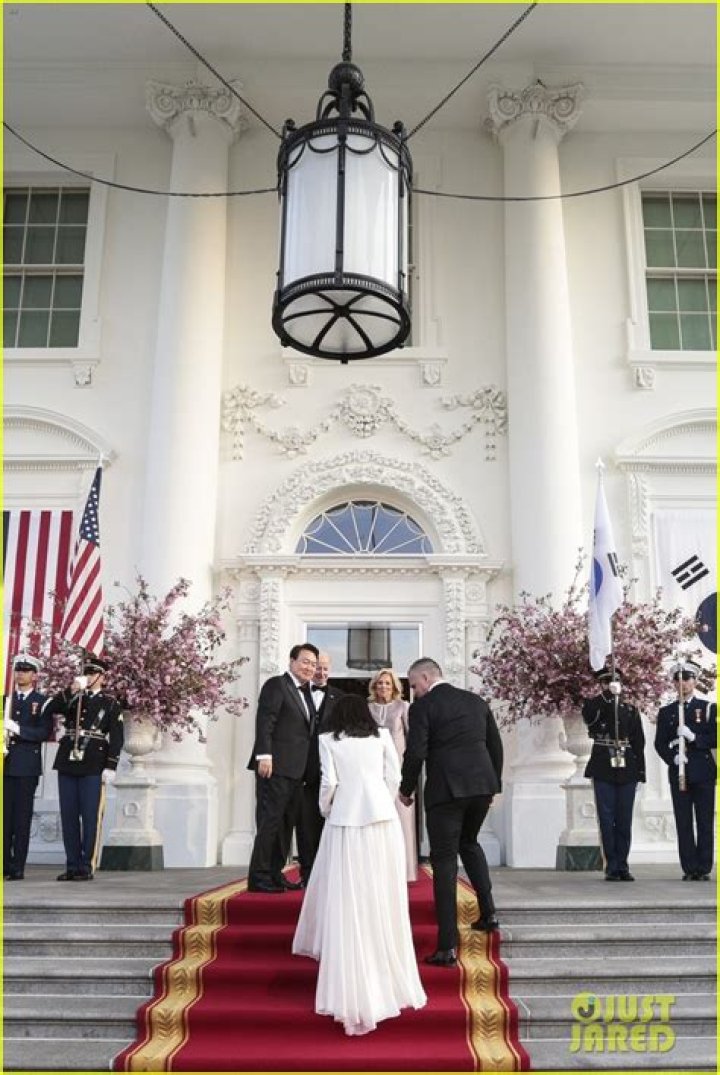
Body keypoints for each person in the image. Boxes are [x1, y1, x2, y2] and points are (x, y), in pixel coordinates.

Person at [292, 694, 426, 1036]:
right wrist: (378, 799)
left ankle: (351, 986)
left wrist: (329, 809)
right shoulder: (381, 737)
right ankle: (384, 981)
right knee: (380, 898)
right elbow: (394, 778)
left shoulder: (327, 740)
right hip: (382, 822)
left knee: (347, 900)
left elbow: (329, 785)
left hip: (344, 824)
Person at [399, 657, 502, 967]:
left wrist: (406, 789)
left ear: (427, 677)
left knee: (444, 862)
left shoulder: (424, 707)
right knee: (469, 843)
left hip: (446, 791)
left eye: (414, 685)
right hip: (481, 787)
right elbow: (495, 746)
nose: (413, 692)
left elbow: (416, 751)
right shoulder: (475, 701)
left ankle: (447, 946)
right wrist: (493, 784)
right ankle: (489, 913)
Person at [246, 643, 319, 893]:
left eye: (313, 663)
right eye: (305, 661)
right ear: (292, 661)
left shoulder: (306, 693)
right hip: (273, 767)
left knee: (285, 826)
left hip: (295, 772)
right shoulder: (277, 685)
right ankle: (259, 876)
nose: (310, 667)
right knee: (270, 823)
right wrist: (264, 755)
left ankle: (274, 873)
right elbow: (265, 720)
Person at [52, 655, 124, 881]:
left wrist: (111, 765)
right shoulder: (74, 698)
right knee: (69, 816)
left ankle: (86, 865)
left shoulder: (110, 703)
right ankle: (72, 864)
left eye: (93, 673)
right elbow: (51, 708)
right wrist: (72, 689)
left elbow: (117, 737)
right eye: (86, 673)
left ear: (102, 677)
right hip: (68, 761)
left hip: (93, 762)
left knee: (90, 816)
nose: (88, 677)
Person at [582, 667, 645, 882]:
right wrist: (606, 696)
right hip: (603, 765)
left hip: (626, 767)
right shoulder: (594, 705)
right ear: (601, 685)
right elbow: (590, 720)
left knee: (624, 819)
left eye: (615, 682)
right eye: (606, 683)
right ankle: (611, 864)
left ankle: (623, 865)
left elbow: (638, 743)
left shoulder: (630, 709)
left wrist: (641, 772)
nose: (611, 685)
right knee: (607, 819)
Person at [654, 661, 716, 881]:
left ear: (695, 681)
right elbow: (659, 743)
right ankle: (690, 867)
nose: (682, 683)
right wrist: (673, 757)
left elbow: (715, 737)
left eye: (687, 678)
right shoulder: (667, 712)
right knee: (683, 821)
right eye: (678, 679)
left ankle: (704, 867)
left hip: (703, 772)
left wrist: (694, 738)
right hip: (680, 772)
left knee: (704, 821)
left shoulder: (708, 708)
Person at [3, 654, 55, 880]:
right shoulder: (5, 700)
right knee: (4, 819)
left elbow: (44, 733)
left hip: (26, 767)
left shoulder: (42, 702)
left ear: (34, 675)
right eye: (18, 670)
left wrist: (17, 729)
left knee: (21, 818)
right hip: (5, 766)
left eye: (25, 671)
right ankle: (4, 862)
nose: (20, 674)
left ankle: (17, 866)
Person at [295, 651, 344, 886]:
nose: (321, 672)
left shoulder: (341, 697)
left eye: (325, 668)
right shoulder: (296, 693)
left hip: (332, 771)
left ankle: (331, 875)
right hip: (303, 771)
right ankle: (307, 874)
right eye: (318, 668)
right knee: (306, 826)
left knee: (332, 826)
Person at [368, 667, 418, 881]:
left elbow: (412, 738)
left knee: (402, 819)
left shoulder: (403, 706)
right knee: (376, 819)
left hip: (398, 770)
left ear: (395, 686)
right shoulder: (367, 707)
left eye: (387, 683)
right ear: (374, 686)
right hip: (372, 770)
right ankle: (378, 869)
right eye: (380, 683)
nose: (383, 687)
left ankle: (406, 871)